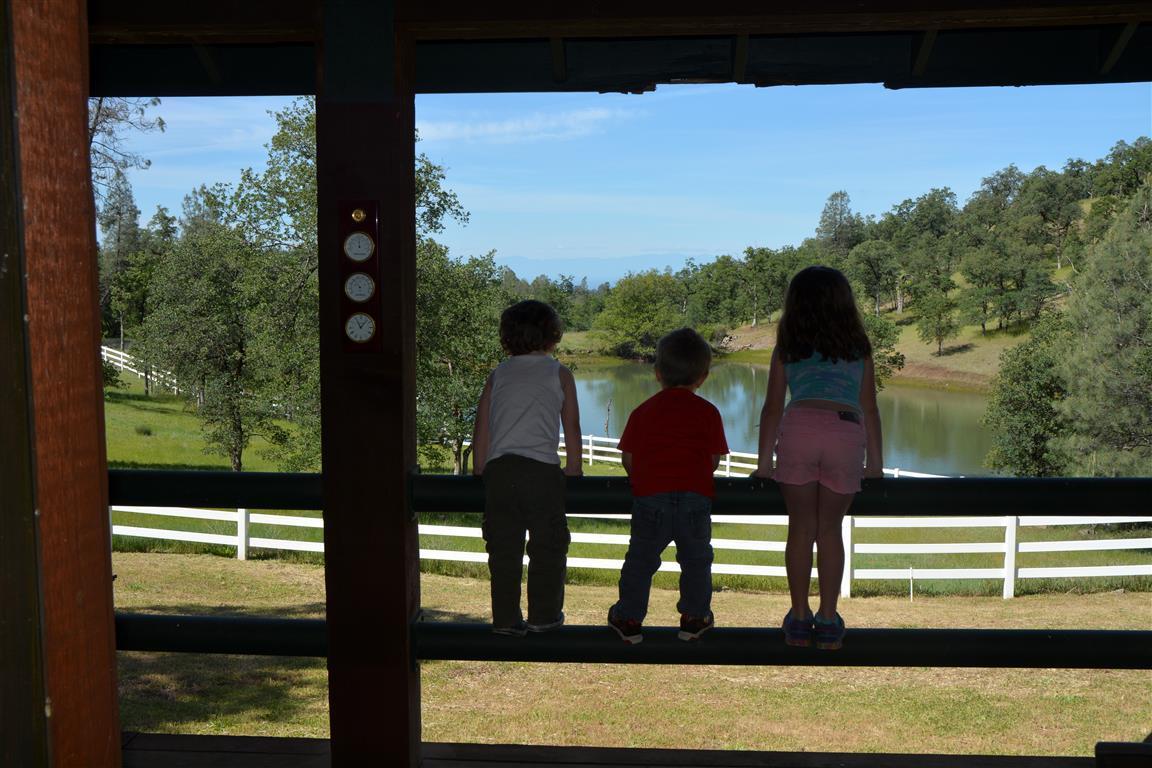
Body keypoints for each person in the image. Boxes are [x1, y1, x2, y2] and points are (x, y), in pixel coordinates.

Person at [753, 266, 883, 650]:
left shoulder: (787, 348)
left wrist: (764, 465)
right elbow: (870, 408)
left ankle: (798, 617)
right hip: (845, 433)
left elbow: (772, 409)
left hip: (799, 431)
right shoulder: (859, 349)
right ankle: (827, 619)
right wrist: (874, 465)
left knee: (801, 529)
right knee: (829, 532)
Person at [607, 327, 729, 645]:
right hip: (696, 499)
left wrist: (643, 481)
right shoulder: (709, 413)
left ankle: (629, 617)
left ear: (658, 373)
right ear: (703, 376)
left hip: (650, 499)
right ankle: (694, 616)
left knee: (641, 560)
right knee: (696, 560)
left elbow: (630, 458)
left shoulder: (643, 411)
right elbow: (714, 459)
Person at [472, 300, 584, 637]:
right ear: (553, 335)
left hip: (500, 472)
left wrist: (480, 468)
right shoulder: (559, 373)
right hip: (542, 473)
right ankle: (543, 615)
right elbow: (572, 426)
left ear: (507, 337)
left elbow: (483, 426)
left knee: (503, 550)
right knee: (547, 547)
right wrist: (574, 468)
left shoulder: (499, 374)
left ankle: (505, 619)